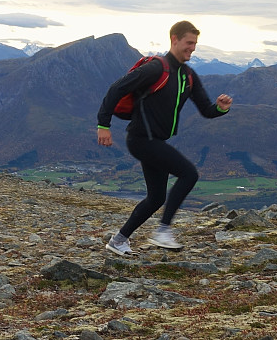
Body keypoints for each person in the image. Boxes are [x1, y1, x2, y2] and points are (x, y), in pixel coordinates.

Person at [96, 20, 233, 255]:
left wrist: (221, 108)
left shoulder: (188, 76)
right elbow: (117, 88)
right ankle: (163, 231)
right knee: (189, 173)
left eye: (195, 44)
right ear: (174, 40)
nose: (192, 48)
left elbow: (206, 110)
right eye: (189, 43)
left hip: (155, 142)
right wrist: (103, 125)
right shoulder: (156, 69)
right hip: (140, 139)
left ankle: (118, 240)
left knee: (156, 197)